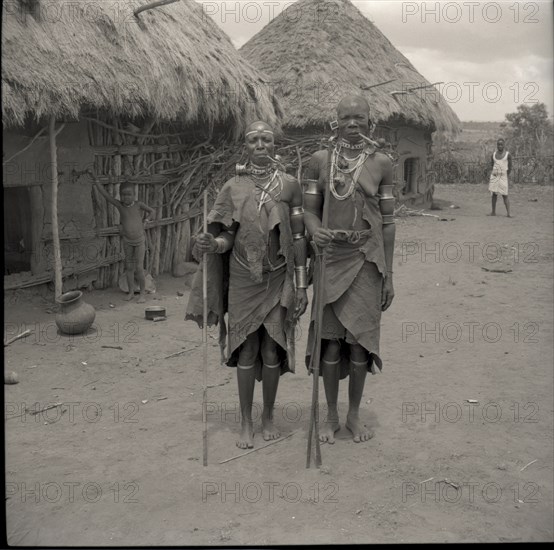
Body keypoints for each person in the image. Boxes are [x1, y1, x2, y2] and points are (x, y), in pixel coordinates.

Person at [187, 121, 308, 449]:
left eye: (266, 139)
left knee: (271, 348)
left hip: (277, 278)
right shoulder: (233, 188)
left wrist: (300, 285)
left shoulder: (290, 185)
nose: (260, 145)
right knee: (247, 348)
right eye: (253, 140)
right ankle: (244, 421)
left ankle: (267, 416)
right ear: (246, 145)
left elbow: (298, 236)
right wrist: (214, 246)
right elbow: (226, 233)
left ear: (273, 143)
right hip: (242, 280)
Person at [303, 95, 395, 444]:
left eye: (359, 117)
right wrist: (315, 231)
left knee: (360, 344)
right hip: (331, 260)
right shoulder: (320, 161)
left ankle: (353, 415)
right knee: (329, 343)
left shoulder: (382, 163)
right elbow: (310, 211)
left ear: (371, 122)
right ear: (335, 122)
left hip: (367, 260)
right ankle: (329, 415)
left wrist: (389, 274)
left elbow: (388, 222)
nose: (352, 123)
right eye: (346, 118)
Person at [92, 178, 155, 303]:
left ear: (134, 195)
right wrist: (96, 180)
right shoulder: (120, 205)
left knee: (139, 267)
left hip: (139, 241)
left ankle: (142, 294)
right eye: (123, 195)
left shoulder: (138, 205)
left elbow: (152, 211)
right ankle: (131, 292)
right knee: (129, 267)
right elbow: (106, 195)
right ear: (120, 195)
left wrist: (146, 220)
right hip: (127, 241)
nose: (126, 197)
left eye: (129, 194)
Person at [488, 138, 512, 217]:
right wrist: (494, 173)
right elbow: (492, 165)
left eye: (501, 144)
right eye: (498, 144)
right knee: (494, 194)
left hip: (503, 177)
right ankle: (493, 212)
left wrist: (505, 175)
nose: (500, 146)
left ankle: (508, 213)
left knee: (505, 195)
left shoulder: (508, 155)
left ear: (504, 145)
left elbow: (510, 167)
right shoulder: (494, 155)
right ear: (497, 145)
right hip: (495, 177)